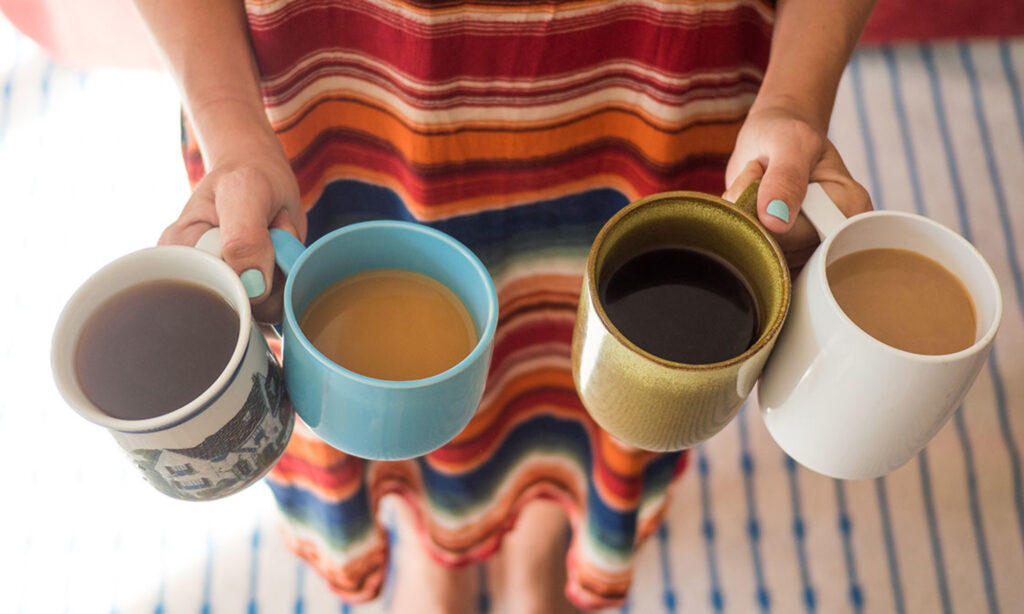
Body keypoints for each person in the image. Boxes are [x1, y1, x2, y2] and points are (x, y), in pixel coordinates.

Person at [134, 1, 874, 611]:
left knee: (607, 350)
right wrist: (229, 120)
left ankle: (542, 534)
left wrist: (795, 98)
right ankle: (438, 543)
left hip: (650, 85)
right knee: (366, 375)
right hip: (336, 91)